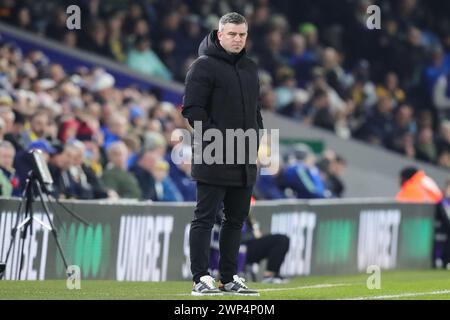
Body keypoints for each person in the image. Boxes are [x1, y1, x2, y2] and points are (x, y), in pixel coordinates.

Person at [182, 12, 264, 296]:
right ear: (219, 35)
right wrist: (217, 141)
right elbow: (192, 111)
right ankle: (200, 278)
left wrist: (255, 141)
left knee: (235, 220)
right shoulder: (203, 66)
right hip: (214, 155)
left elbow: (256, 112)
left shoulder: (251, 68)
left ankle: (228, 278)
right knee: (204, 218)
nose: (237, 39)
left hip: (244, 158)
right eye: (232, 34)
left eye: (242, 34)